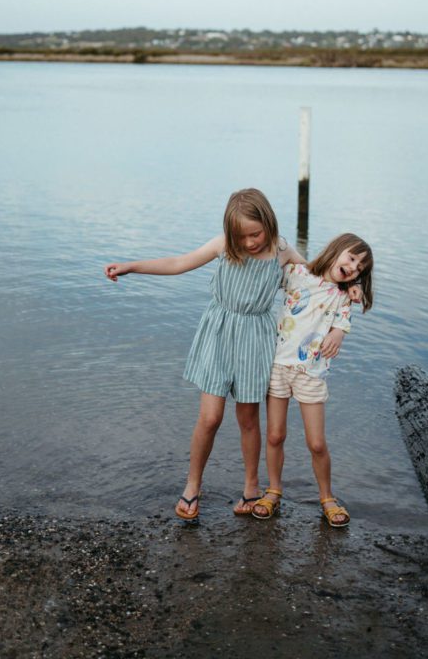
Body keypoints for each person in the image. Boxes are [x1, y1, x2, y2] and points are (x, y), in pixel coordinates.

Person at [104, 188, 305, 521]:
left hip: (255, 337)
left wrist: (349, 286)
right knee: (210, 418)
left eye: (256, 234)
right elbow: (180, 263)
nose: (251, 243)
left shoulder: (281, 249)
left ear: (268, 222)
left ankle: (251, 489)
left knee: (248, 420)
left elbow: (314, 277)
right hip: (218, 333)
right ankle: (192, 485)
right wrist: (131, 266)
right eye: (242, 237)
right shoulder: (225, 245)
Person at [251, 233, 374, 528]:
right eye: (352, 258)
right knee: (275, 435)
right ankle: (273, 491)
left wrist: (338, 332)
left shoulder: (344, 296)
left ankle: (327, 497)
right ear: (336, 249)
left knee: (316, 443)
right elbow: (269, 269)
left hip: (311, 373)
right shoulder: (297, 273)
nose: (353, 267)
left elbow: (342, 323)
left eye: (359, 268)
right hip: (278, 365)